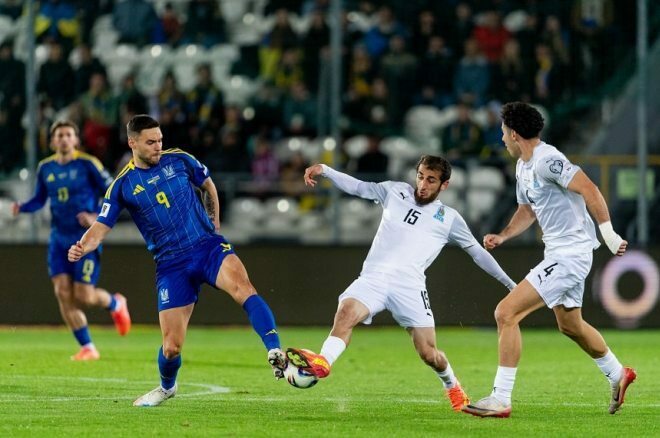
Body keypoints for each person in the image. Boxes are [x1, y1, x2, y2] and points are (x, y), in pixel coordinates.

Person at [67, 114, 287, 407]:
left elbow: (208, 185)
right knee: (171, 347)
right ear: (132, 143)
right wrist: (82, 246)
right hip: (171, 265)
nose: (158, 146)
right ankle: (167, 387)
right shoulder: (122, 185)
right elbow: (101, 227)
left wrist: (213, 221)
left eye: (160, 140)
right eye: (150, 142)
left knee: (243, 288)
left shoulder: (180, 159)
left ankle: (274, 349)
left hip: (207, 247)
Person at [287, 155, 517, 412]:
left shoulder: (449, 218)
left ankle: (452, 385)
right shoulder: (394, 191)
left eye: (431, 180)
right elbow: (359, 187)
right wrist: (325, 169)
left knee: (429, 354)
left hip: (410, 287)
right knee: (346, 312)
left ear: (444, 185)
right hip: (374, 278)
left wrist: (510, 284)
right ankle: (324, 362)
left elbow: (478, 254)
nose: (423, 185)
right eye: (420, 177)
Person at [462, 102, 635, 418]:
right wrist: (504, 235)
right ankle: (617, 373)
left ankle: (500, 398)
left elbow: (590, 189)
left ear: (515, 134)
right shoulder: (523, 166)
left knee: (506, 313)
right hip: (558, 253)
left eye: (503, 133)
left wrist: (608, 234)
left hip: (571, 254)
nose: (502, 138)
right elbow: (527, 210)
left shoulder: (548, 161)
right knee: (570, 325)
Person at [12, 120, 131, 361]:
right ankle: (88, 347)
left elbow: (113, 192)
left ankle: (115, 303)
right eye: (60, 135)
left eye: (68, 135)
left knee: (84, 295)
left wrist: (96, 215)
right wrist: (22, 207)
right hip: (58, 238)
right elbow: (39, 199)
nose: (64, 139)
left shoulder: (88, 164)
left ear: (76, 140)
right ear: (52, 141)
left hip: (84, 240)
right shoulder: (46, 168)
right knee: (62, 292)